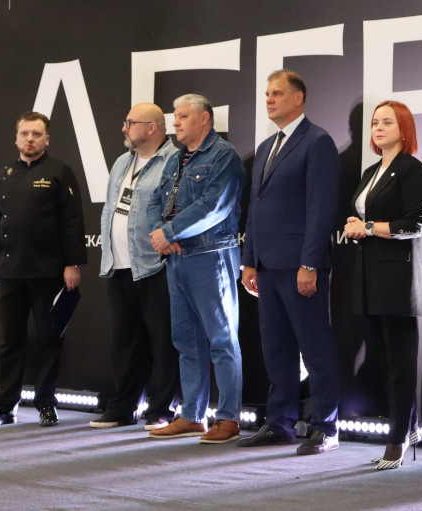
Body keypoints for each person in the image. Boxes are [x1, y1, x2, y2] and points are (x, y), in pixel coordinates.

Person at [238, 69, 341, 455]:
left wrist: (310, 264)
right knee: (277, 349)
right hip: (267, 265)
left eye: (277, 93)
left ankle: (326, 426)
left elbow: (321, 207)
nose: (269, 99)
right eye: (267, 94)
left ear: (298, 98)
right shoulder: (266, 147)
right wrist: (249, 260)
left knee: (315, 349)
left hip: (300, 266)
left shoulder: (317, 141)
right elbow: (255, 207)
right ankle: (279, 422)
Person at [145, 94, 244, 444]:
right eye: (175, 117)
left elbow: (213, 206)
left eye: (183, 116)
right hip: (177, 259)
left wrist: (169, 232)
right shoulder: (175, 158)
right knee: (186, 341)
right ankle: (192, 415)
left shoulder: (223, 155)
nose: (175, 123)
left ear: (205, 119)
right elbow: (154, 201)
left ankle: (228, 418)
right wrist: (161, 234)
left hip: (211, 256)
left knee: (222, 339)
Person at [0, 112, 86, 428]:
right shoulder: (4, 175)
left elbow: (72, 222)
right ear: (16, 138)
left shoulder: (59, 172)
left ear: (46, 139)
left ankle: (46, 404)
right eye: (25, 133)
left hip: (48, 273)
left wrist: (72, 264)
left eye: (36, 134)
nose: (30, 139)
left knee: (49, 340)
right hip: (9, 273)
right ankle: (4, 406)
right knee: (8, 342)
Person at [343, 100, 422, 470]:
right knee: (383, 361)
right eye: (375, 122)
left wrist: (366, 227)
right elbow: (366, 216)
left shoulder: (412, 169)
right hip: (368, 277)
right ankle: (409, 427)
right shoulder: (371, 171)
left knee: (400, 365)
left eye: (387, 122)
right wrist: (357, 223)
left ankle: (396, 440)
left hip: (398, 279)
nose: (378, 128)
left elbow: (415, 224)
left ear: (403, 128)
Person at [90, 103, 181, 431]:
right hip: (119, 265)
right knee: (125, 343)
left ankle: (161, 409)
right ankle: (123, 407)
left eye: (130, 123)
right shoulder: (121, 162)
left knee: (163, 342)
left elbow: (175, 209)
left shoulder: (174, 160)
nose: (124, 128)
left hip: (156, 265)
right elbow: (110, 208)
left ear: (152, 128)